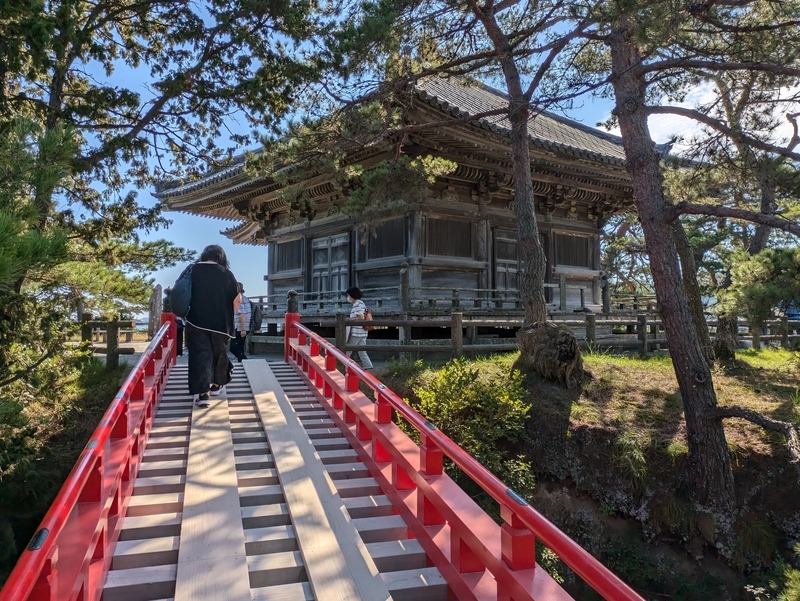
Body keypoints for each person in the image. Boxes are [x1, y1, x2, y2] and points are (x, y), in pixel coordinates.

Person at [183, 245, 240, 408]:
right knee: (220, 353)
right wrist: (228, 314)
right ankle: (216, 385)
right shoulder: (226, 274)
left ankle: (203, 395)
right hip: (221, 323)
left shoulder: (192, 270)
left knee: (200, 355)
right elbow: (237, 299)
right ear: (222, 258)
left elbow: (179, 292)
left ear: (203, 255)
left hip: (196, 321)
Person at [345, 286, 373, 370]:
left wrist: (350, 320)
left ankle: (345, 366)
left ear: (352, 295)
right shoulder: (362, 303)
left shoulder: (357, 304)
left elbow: (360, 317)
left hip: (356, 332)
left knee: (348, 350)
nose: (348, 298)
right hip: (363, 331)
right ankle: (368, 365)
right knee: (362, 350)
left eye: (348, 295)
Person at [230, 282, 251, 362]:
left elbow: (242, 314)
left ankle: (246, 361)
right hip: (245, 326)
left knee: (233, 348)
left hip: (240, 327)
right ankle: (242, 363)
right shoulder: (244, 298)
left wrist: (242, 329)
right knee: (240, 347)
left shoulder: (239, 299)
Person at [162, 286, 184, 356]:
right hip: (177, 319)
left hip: (168, 319)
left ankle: (173, 351)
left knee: (168, 336)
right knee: (179, 337)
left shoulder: (165, 299)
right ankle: (178, 351)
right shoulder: (176, 300)